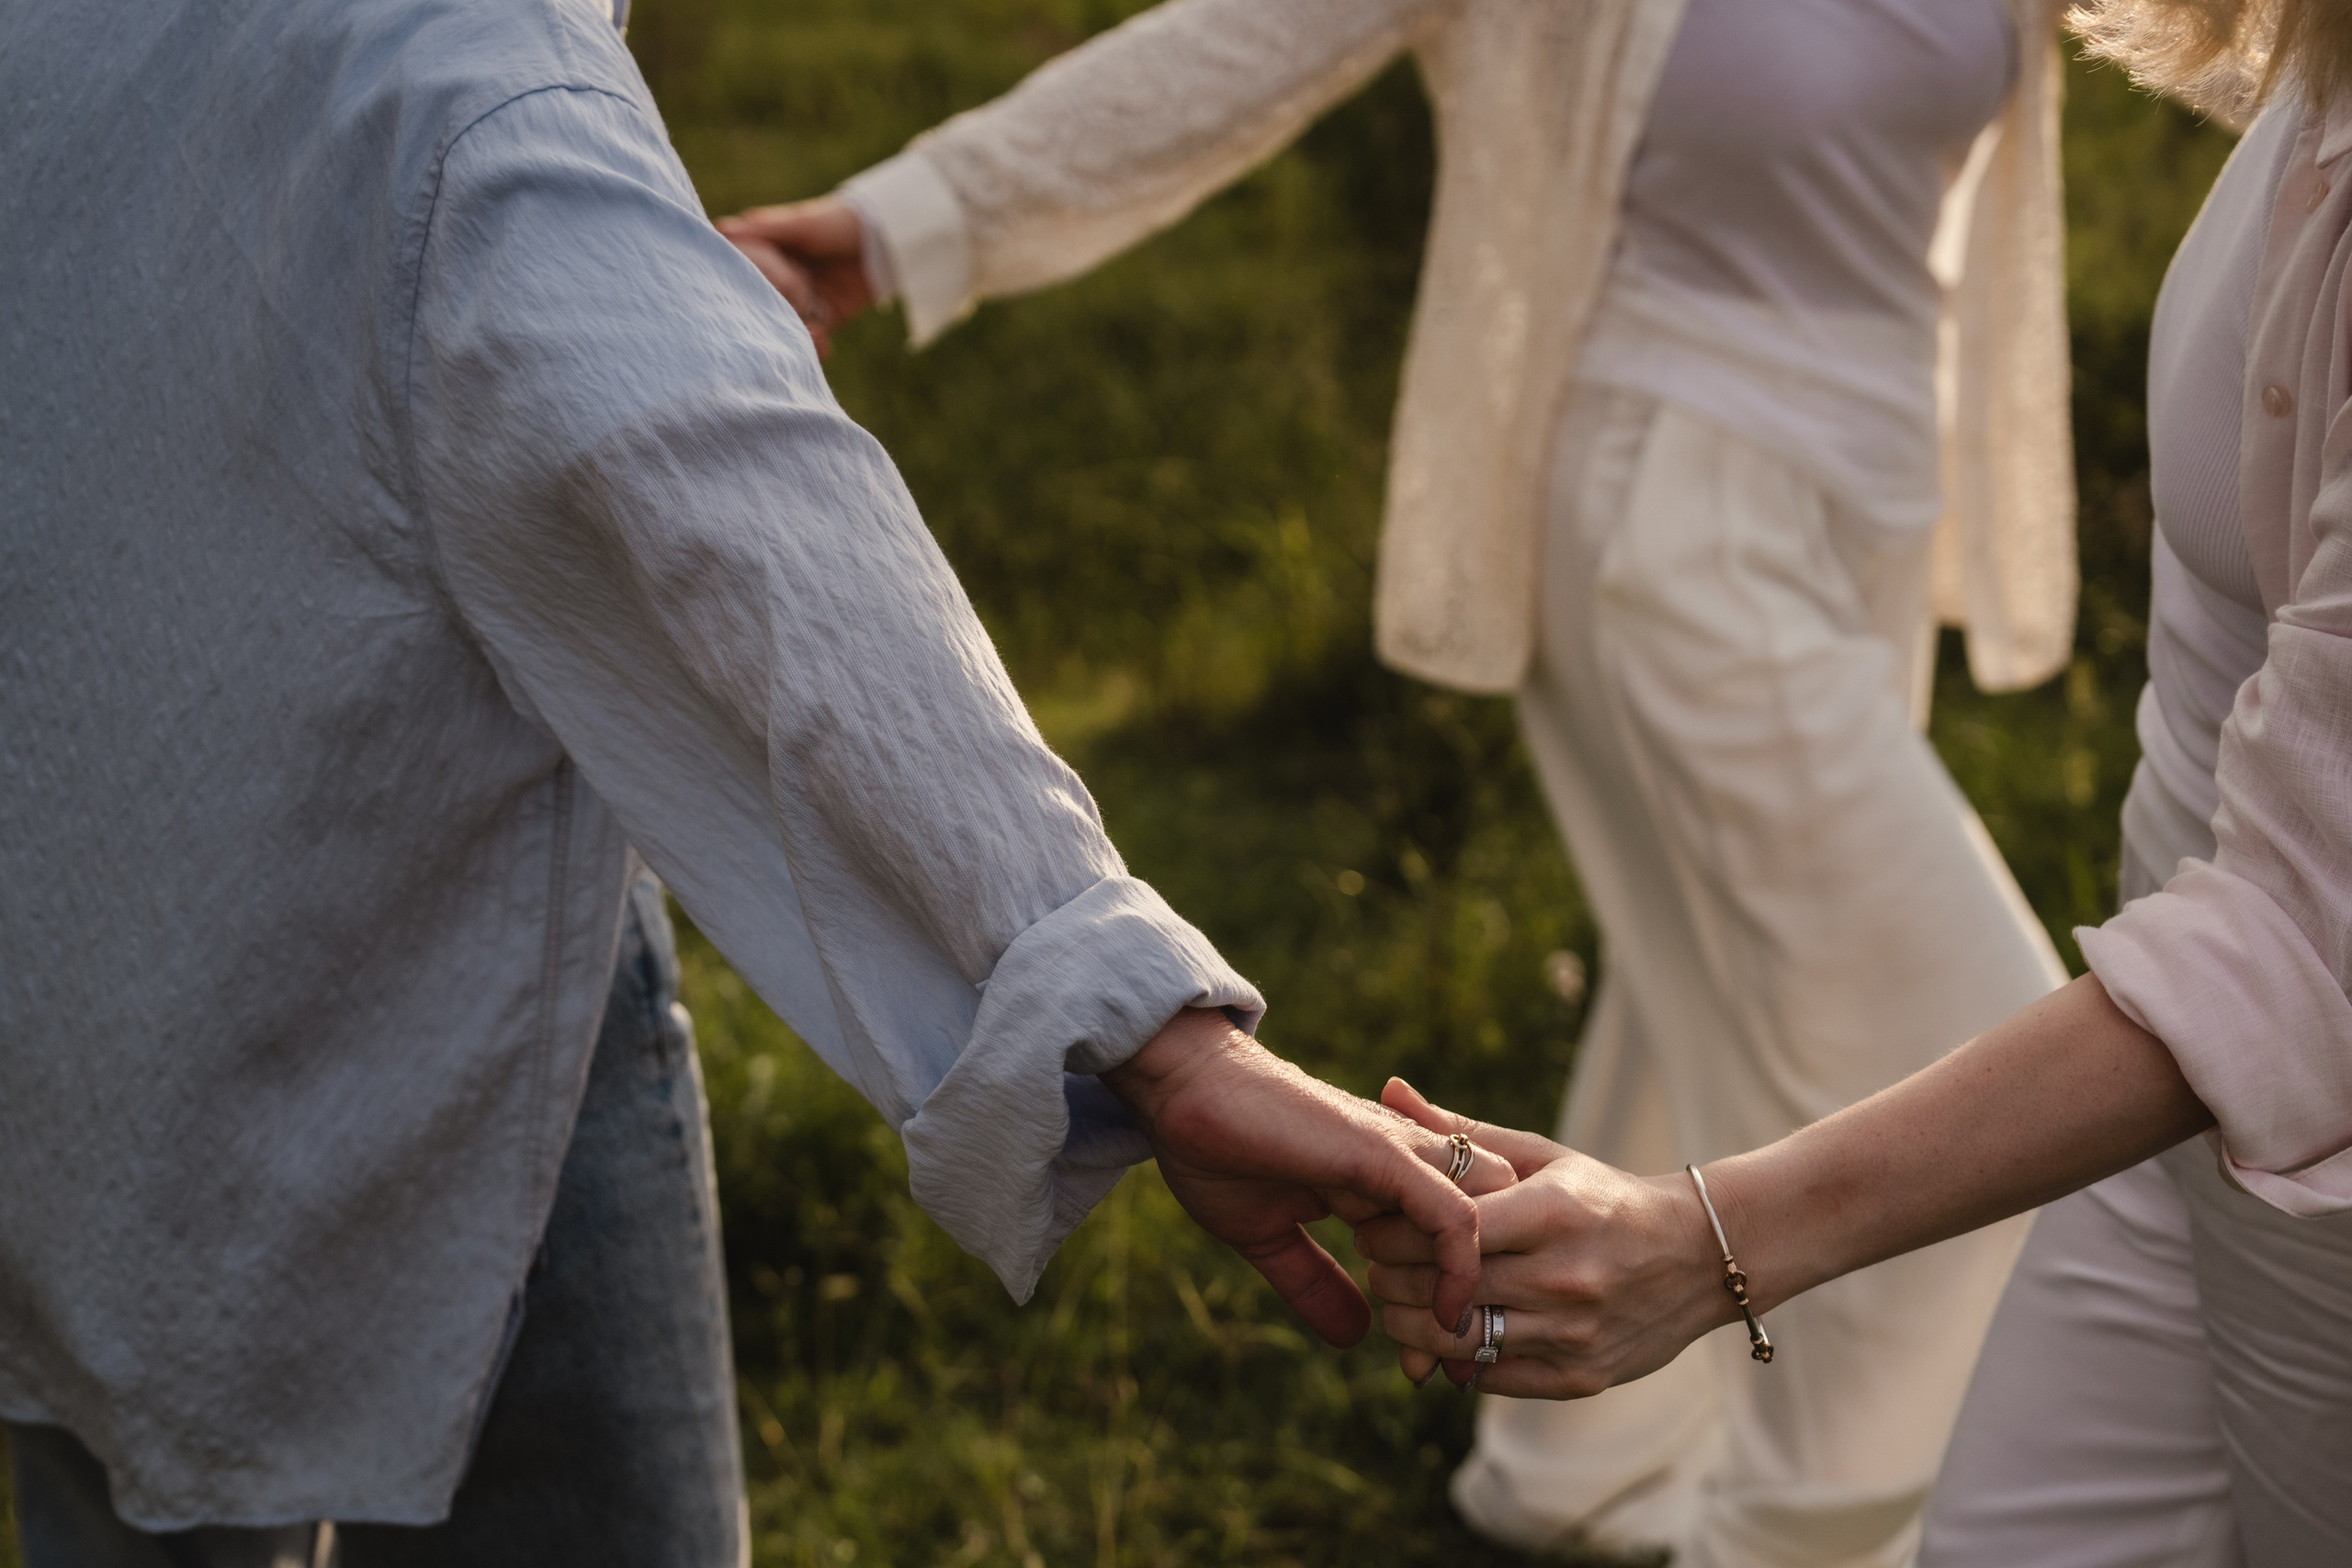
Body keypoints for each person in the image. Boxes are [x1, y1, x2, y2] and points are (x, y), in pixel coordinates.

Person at [0, 0, 1507, 1562]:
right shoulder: (459, 71)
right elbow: (740, 498)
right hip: (438, 942)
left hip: (68, 975)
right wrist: (1151, 1027)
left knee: (118, 1480)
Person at [717, 0, 2078, 1561]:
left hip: (1869, 511)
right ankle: (1830, 1534)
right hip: (1672, 520)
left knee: (1719, 985)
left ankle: (1583, 1469)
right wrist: (901, 224)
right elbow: (1255, 35)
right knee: (1954, 1050)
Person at [1356, 6, 2352, 1562]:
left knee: (1753, 995)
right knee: (1817, 999)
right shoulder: (2315, 68)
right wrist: (937, 215)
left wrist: (1705, 1243)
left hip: (2294, 1156)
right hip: (1680, 528)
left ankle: (1698, 1501)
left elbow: (2302, 930)